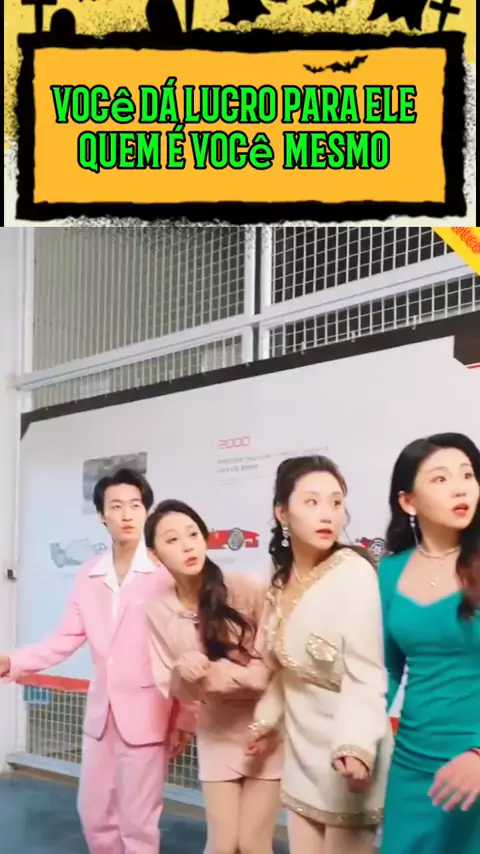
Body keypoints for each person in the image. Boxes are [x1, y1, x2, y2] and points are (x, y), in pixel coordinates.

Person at [0, 468, 195, 854]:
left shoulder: (164, 575)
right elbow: (65, 639)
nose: (126, 514)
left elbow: (184, 651)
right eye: (116, 506)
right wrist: (12, 661)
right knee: (94, 815)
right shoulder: (90, 574)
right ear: (102, 516)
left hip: (149, 716)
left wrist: (185, 717)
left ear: (147, 511)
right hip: (100, 718)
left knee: (138, 823)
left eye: (135, 505)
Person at [246, 455, 393, 854]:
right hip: (301, 752)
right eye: (312, 502)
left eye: (336, 502)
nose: (328, 514)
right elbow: (285, 671)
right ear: (282, 512)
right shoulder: (279, 580)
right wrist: (265, 722)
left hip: (348, 753)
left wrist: (355, 746)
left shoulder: (354, 573)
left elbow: (366, 675)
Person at [144, 499, 283, 854]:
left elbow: (271, 665)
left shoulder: (245, 588)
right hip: (215, 731)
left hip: (264, 725)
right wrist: (183, 668)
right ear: (154, 555)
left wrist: (227, 675)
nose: (187, 545)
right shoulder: (157, 609)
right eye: (172, 540)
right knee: (221, 845)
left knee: (253, 844)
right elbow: (172, 686)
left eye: (193, 534)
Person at [378, 432, 480, 854]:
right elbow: (386, 668)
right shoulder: (389, 571)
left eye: (468, 475)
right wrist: (361, 739)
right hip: (411, 765)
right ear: (408, 502)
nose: (460, 488)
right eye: (440, 479)